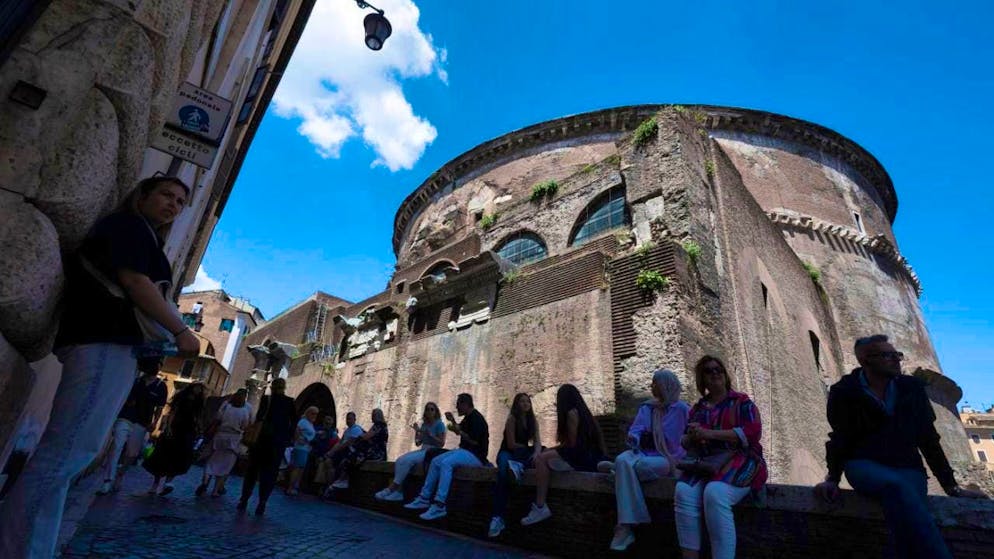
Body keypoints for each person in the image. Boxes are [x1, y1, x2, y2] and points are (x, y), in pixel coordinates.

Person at [0, 176, 198, 559]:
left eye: (180, 202)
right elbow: (135, 281)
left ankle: (29, 546)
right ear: (141, 195)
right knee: (65, 454)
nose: (173, 204)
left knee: (70, 453)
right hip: (103, 342)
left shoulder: (143, 233)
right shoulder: (128, 226)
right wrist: (180, 329)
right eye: (166, 195)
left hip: (106, 345)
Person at [814, 335, 987, 559]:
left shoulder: (912, 388)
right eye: (888, 355)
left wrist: (951, 486)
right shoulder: (845, 391)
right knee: (898, 488)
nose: (897, 360)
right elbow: (840, 437)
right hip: (864, 465)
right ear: (866, 361)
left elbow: (928, 438)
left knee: (904, 519)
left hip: (908, 467)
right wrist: (833, 478)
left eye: (897, 355)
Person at [674, 356, 767, 559]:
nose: (715, 373)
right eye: (709, 371)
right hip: (707, 463)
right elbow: (684, 440)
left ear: (725, 375)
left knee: (715, 493)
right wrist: (692, 436)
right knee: (683, 491)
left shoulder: (742, 402)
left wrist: (710, 434)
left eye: (719, 369)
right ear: (702, 379)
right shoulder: (697, 409)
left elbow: (752, 432)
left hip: (741, 460)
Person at [601, 369, 689, 550]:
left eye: (655, 383)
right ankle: (626, 526)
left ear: (666, 385)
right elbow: (635, 430)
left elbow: (686, 438)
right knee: (622, 459)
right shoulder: (647, 408)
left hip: (667, 458)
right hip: (641, 452)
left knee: (638, 467)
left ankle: (618, 474)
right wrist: (635, 438)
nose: (652, 386)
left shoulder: (682, 410)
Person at [520, 384, 606, 526]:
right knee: (546, 454)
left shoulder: (571, 413)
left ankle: (540, 506)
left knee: (541, 459)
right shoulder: (584, 413)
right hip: (589, 454)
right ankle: (601, 465)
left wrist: (549, 451)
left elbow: (571, 445)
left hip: (578, 456)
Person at [405, 393, 489, 520]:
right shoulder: (468, 417)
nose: (457, 408)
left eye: (458, 405)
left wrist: (459, 431)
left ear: (465, 404)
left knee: (446, 463)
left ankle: (440, 504)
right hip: (465, 451)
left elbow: (474, 441)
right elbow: (458, 430)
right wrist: (452, 421)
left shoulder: (477, 418)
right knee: (436, 461)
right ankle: (424, 498)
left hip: (475, 455)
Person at [96, 356, 168, 496]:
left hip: (142, 423)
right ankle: (107, 480)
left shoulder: (161, 387)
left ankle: (120, 474)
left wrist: (154, 422)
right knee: (116, 447)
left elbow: (160, 407)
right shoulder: (136, 381)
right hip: (126, 417)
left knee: (132, 454)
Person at [238, 377, 296, 516]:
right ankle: (262, 501)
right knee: (269, 474)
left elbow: (259, 419)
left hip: (261, 441)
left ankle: (244, 499)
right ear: (284, 387)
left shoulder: (266, 400)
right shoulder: (289, 402)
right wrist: (285, 439)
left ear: (273, 387)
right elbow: (294, 423)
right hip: (276, 444)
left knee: (252, 472)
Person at [488, 393, 542, 537]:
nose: (525, 404)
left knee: (543, 452)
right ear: (516, 404)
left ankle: (519, 465)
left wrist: (537, 452)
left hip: (521, 454)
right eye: (522, 401)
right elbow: (511, 445)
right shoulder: (512, 419)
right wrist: (529, 452)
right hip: (508, 452)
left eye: (527, 401)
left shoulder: (533, 421)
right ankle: (497, 517)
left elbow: (537, 442)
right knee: (503, 473)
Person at [143, 382, 206, 495]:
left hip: (188, 431)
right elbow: (173, 412)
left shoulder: (199, 402)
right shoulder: (181, 397)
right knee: (162, 456)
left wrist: (199, 429)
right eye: (197, 388)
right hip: (176, 428)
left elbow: (198, 417)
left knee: (180, 457)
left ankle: (167, 483)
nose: (199, 390)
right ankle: (156, 484)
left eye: (200, 389)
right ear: (192, 387)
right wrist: (168, 426)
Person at [376, 402, 446, 502]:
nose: (429, 411)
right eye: (427, 409)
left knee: (408, 460)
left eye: (432, 409)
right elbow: (418, 442)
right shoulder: (424, 424)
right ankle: (398, 492)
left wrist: (430, 435)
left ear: (436, 412)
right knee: (400, 460)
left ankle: (391, 489)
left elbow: (441, 443)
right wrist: (417, 431)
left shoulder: (440, 424)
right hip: (423, 449)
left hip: (432, 451)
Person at [197, 388, 252, 497]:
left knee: (211, 461)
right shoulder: (245, 410)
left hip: (220, 436)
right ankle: (215, 490)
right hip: (233, 439)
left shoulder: (226, 405)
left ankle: (205, 481)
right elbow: (246, 426)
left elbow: (218, 418)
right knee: (225, 467)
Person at [330, 408, 389, 490]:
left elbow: (367, 436)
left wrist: (358, 438)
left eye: (373, 415)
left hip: (376, 453)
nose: (372, 417)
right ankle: (343, 479)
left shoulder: (379, 425)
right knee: (353, 453)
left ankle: (344, 479)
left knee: (353, 455)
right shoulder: (381, 425)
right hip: (378, 451)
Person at [317, 412, 364, 495]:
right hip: (342, 452)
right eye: (347, 419)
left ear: (354, 420)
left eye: (350, 419)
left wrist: (333, 452)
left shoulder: (356, 429)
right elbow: (340, 442)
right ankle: (328, 486)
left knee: (330, 462)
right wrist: (330, 452)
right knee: (327, 462)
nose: (348, 420)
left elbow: (346, 444)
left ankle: (329, 487)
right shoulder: (347, 430)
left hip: (349, 453)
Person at [286, 406, 319, 495]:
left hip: (305, 448)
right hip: (301, 448)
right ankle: (290, 488)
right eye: (313, 413)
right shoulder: (303, 422)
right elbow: (297, 431)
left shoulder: (309, 423)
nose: (314, 415)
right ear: (308, 413)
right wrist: (299, 440)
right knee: (297, 468)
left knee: (300, 468)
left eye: (316, 414)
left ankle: (294, 487)